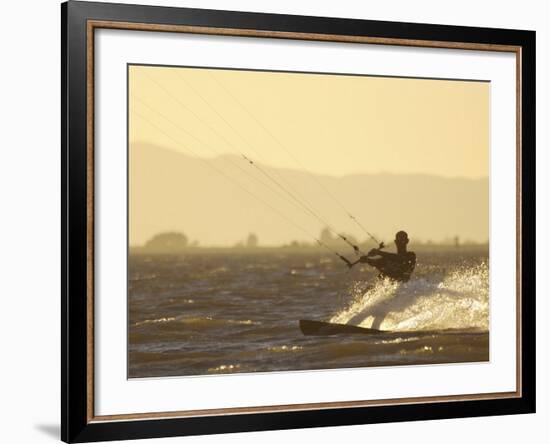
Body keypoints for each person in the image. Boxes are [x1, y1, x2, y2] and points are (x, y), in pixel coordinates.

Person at [348, 231, 416, 282]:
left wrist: (379, 252)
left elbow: (400, 259)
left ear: (407, 241)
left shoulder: (411, 256)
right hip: (388, 289)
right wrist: (367, 260)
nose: (401, 242)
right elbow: (376, 262)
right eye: (399, 240)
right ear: (395, 241)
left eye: (403, 240)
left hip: (402, 287)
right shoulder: (387, 259)